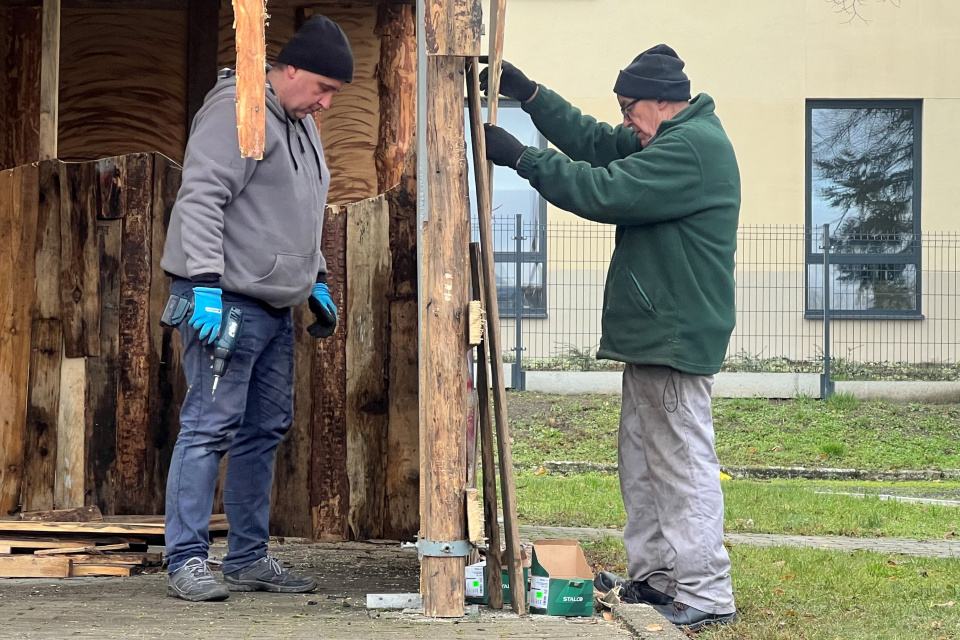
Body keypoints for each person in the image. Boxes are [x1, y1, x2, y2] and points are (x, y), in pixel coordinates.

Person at [481, 44, 740, 631]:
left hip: (674, 335)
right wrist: (533, 96)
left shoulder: (692, 149)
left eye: (630, 107)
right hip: (655, 335)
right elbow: (599, 143)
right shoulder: (667, 137)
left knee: (681, 464)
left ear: (662, 100)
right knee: (644, 463)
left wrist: (524, 160)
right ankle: (655, 579)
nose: (625, 119)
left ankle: (705, 590)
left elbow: (604, 190)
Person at [159, 15, 353, 602]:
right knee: (208, 426)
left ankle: (246, 558)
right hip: (227, 300)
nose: (325, 103)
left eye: (333, 94)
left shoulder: (298, 121)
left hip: (272, 306)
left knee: (264, 427)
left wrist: (314, 279)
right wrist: (206, 284)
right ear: (288, 68)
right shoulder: (237, 111)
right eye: (321, 87)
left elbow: (301, 208)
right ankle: (186, 560)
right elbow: (201, 198)